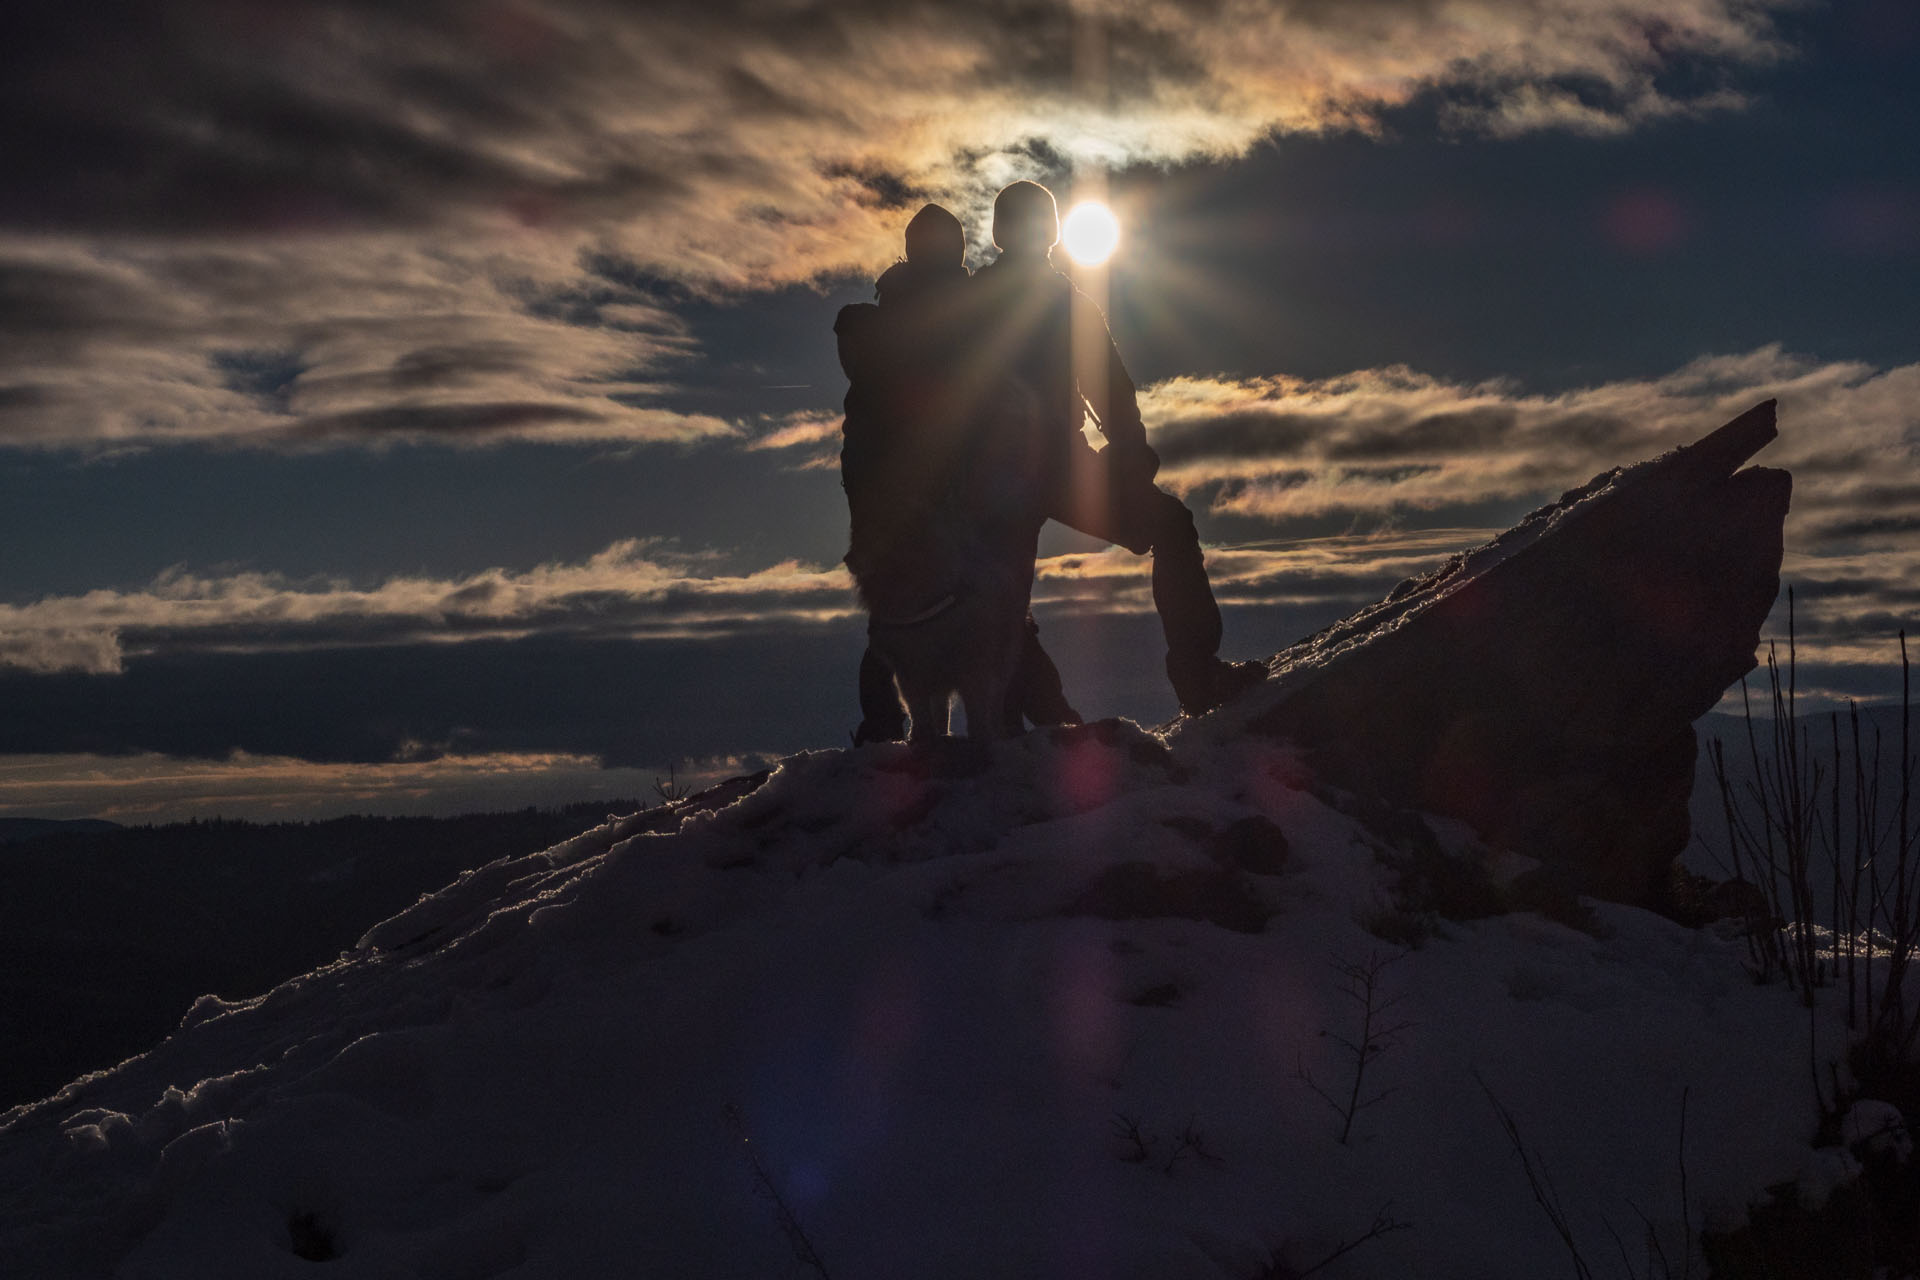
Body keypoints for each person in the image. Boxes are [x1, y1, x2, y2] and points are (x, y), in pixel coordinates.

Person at [969, 180, 1265, 716]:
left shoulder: (1035, 303)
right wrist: (1127, 458)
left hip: (1033, 472)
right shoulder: (1044, 304)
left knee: (1001, 601)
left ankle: (1020, 722)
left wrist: (1127, 458)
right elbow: (1113, 393)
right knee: (1000, 602)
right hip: (1021, 475)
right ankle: (1190, 679)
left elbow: (1111, 391)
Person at [836, 203, 1081, 744]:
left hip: (899, 499)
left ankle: (892, 734)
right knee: (983, 611)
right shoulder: (955, 315)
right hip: (943, 498)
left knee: (905, 621)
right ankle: (1037, 722)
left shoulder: (885, 316)